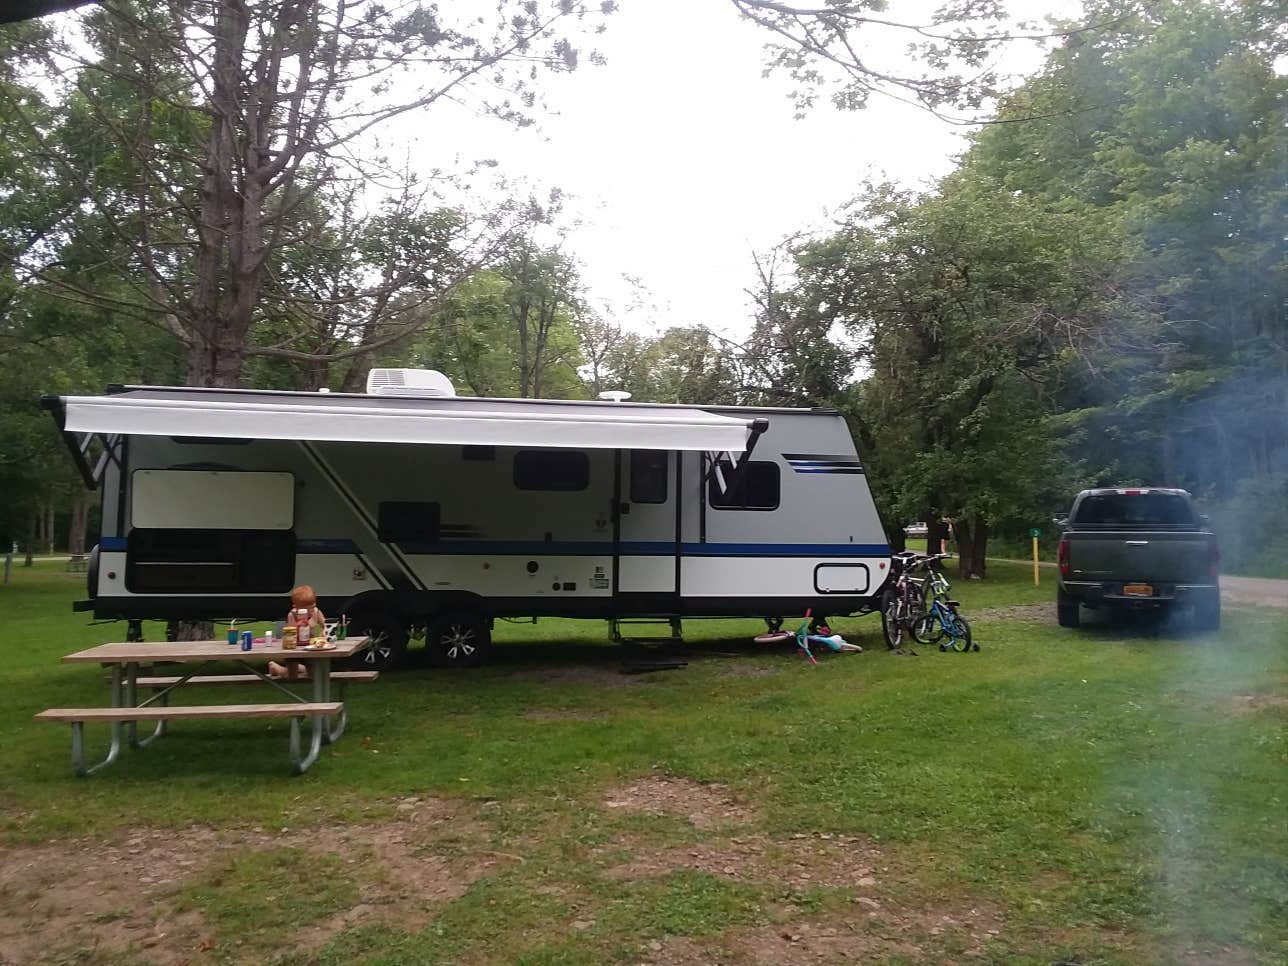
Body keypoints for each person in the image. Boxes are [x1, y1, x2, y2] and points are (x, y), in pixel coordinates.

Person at [268, 584, 327, 680]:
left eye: (312, 606)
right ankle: (276, 668)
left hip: (310, 648)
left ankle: (300, 668)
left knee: (313, 676)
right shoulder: (292, 615)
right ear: (295, 607)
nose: (310, 610)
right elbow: (291, 633)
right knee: (292, 677)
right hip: (294, 649)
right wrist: (300, 624)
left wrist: (323, 633)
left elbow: (326, 626)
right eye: (306, 608)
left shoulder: (316, 612)